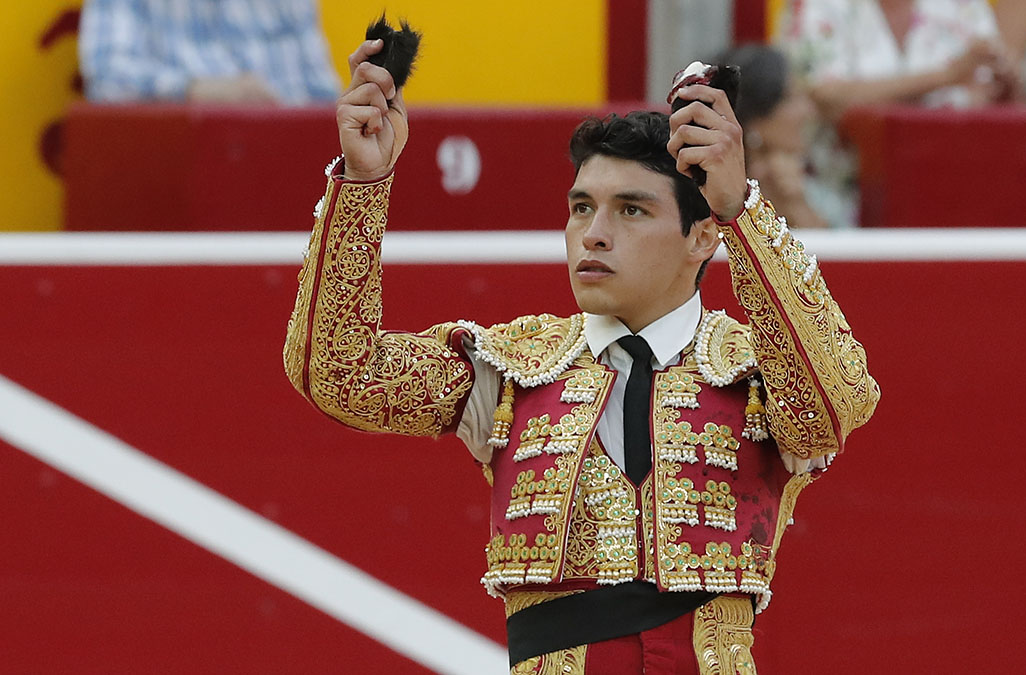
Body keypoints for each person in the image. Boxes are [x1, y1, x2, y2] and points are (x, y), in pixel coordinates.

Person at [284, 37, 879, 673]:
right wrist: (362, 186)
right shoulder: (510, 369)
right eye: (581, 208)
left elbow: (833, 406)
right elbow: (340, 372)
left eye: (631, 209)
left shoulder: (754, 369)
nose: (593, 232)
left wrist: (743, 211)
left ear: (702, 235)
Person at [774, 0, 1023, 228]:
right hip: (839, 201)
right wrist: (946, 76)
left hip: (954, 199)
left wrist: (1009, 87)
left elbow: (991, 95)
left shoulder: (963, 6)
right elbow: (826, 97)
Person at [78, 0, 341, 105]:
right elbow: (106, 78)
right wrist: (194, 91)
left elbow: (325, 95)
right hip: (177, 175)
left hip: (288, 173)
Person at [714, 43, 827, 230]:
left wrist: (796, 203)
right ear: (753, 118)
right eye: (790, 99)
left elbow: (830, 256)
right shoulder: (712, 190)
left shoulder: (807, 184)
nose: (808, 111)